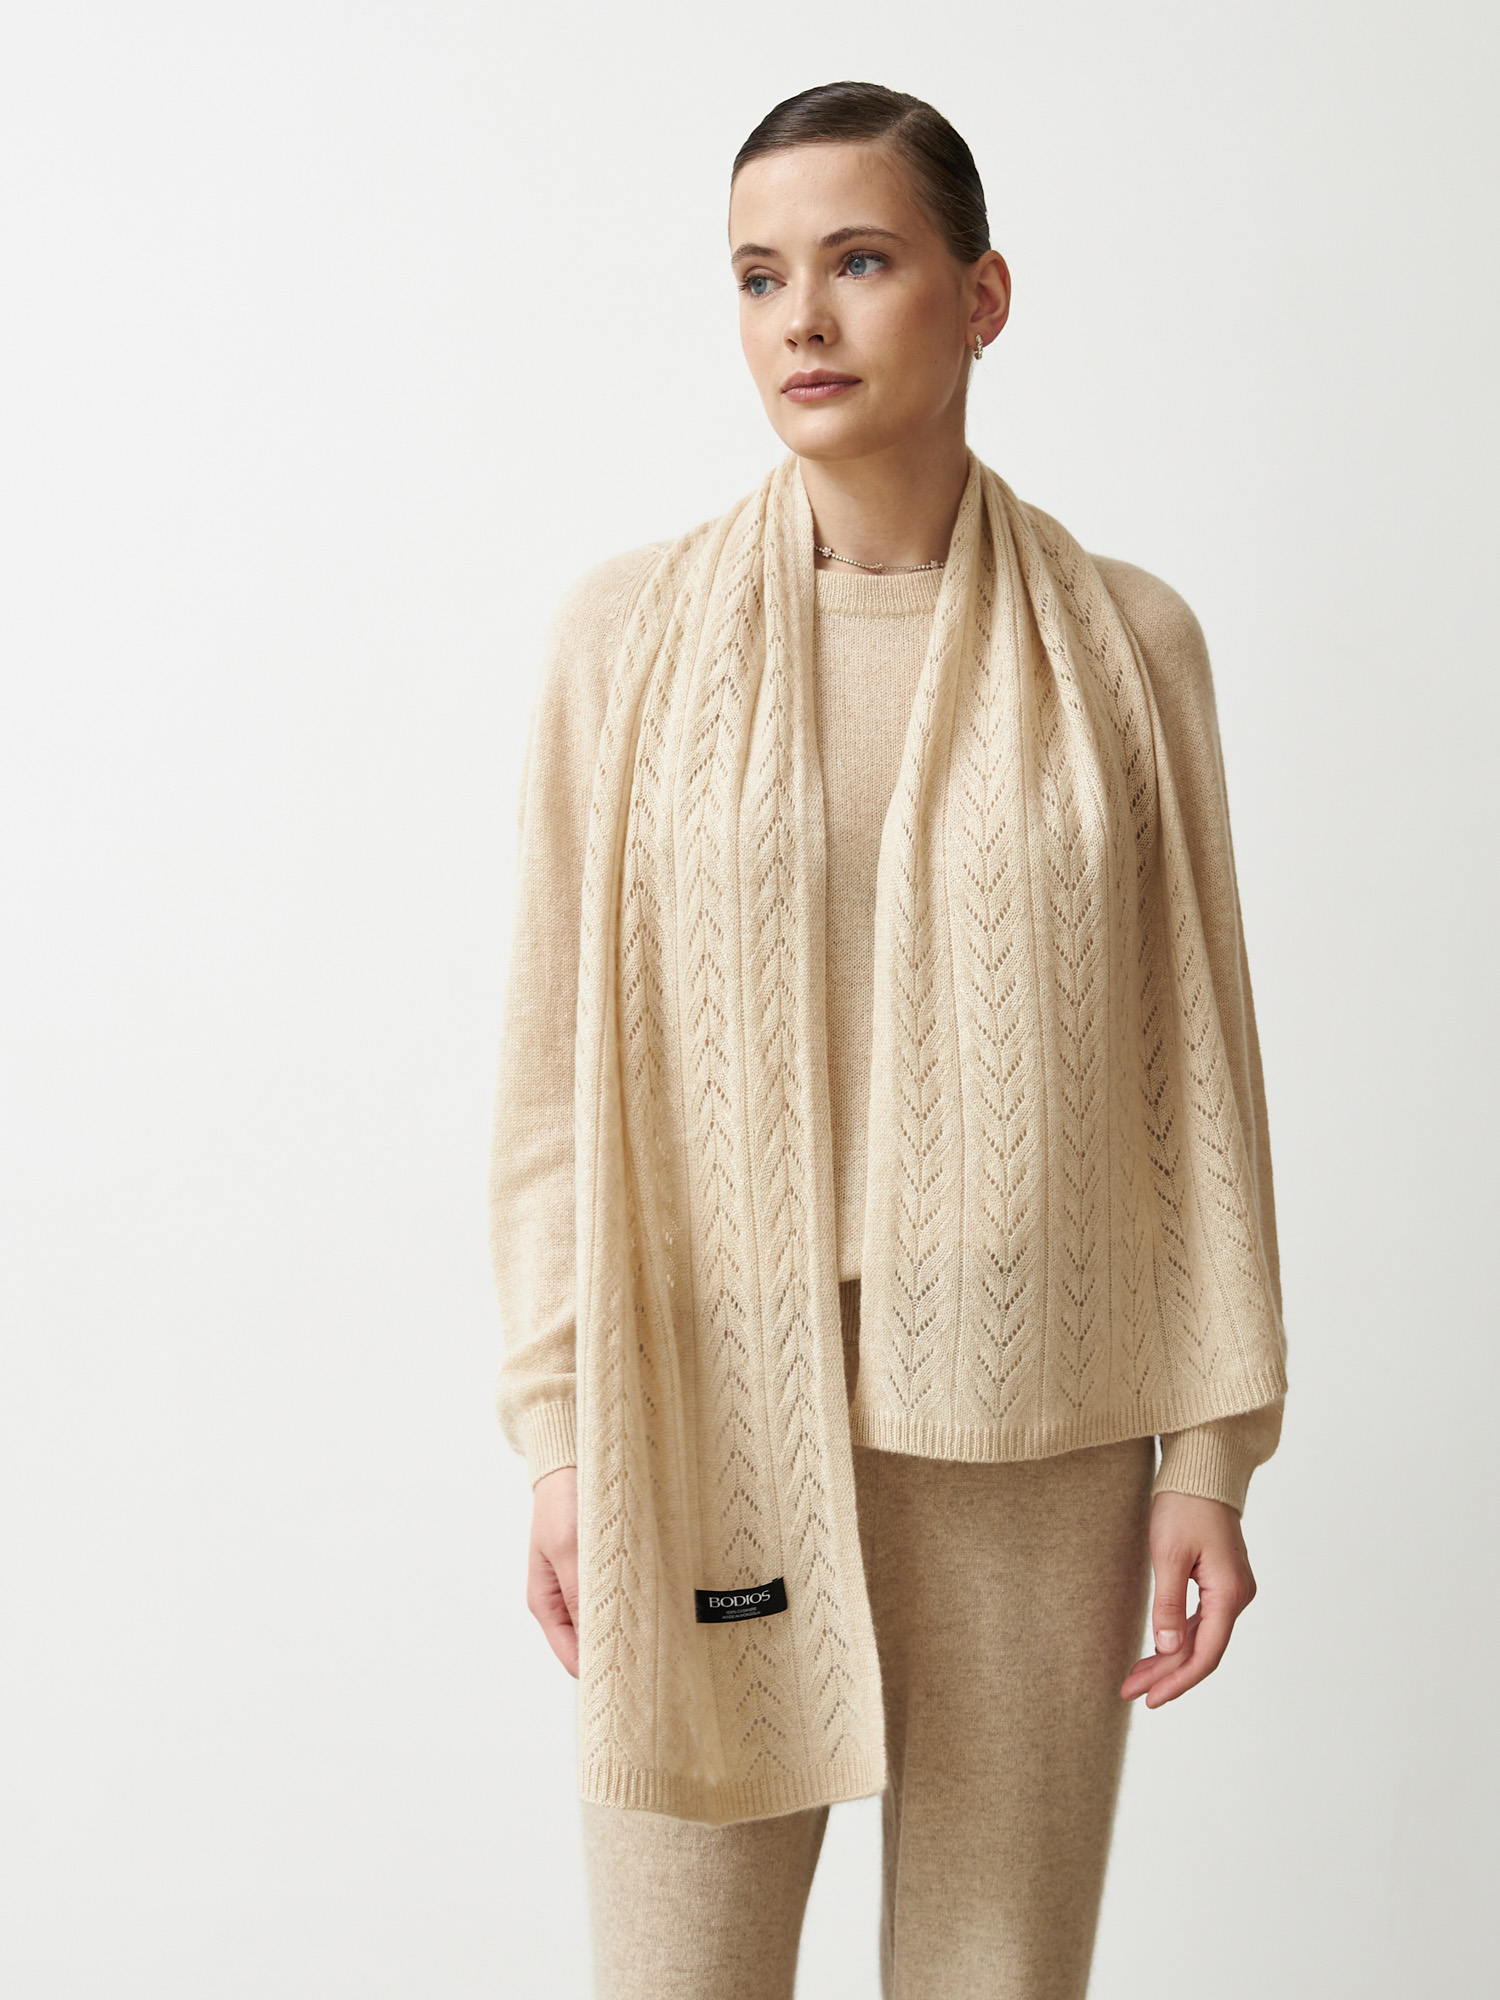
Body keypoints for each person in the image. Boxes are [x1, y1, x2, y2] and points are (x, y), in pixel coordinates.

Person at [489, 80, 1287, 2000]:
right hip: (699, 1401)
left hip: (1033, 1417)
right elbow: (545, 1083)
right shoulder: (625, 639)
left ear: (981, 295)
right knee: (678, 1969)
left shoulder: (1129, 644)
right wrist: (558, 1435)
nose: (803, 321)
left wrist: (1212, 1456)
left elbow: (1200, 1072)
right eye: (760, 276)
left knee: (994, 1972)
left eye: (859, 261)